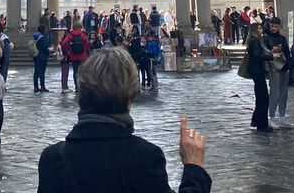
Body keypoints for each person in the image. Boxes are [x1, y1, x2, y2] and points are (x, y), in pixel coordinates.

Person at [37, 47, 211, 193]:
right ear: (130, 98)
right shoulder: (144, 157)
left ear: (82, 92)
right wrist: (194, 167)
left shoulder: (51, 160)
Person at [246, 23, 276, 132]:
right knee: (262, 97)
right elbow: (257, 56)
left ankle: (256, 120)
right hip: (257, 70)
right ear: (255, 30)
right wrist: (271, 56)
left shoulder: (255, 40)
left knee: (261, 96)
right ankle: (262, 124)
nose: (261, 29)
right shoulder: (255, 40)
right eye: (259, 28)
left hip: (256, 70)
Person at [264, 17, 291, 128]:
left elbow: (287, 52)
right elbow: (265, 53)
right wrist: (272, 51)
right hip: (274, 68)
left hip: (284, 67)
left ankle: (282, 117)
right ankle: (272, 117)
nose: (273, 28)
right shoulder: (266, 38)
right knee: (275, 93)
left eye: (275, 26)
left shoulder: (282, 38)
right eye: (272, 26)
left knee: (284, 93)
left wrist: (289, 66)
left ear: (279, 26)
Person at [61, 21, 89, 92]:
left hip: (73, 56)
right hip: (82, 56)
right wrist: (85, 51)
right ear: (80, 27)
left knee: (75, 71)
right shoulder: (82, 34)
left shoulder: (70, 35)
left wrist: (67, 51)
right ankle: (82, 86)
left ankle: (76, 86)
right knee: (82, 71)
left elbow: (63, 43)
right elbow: (87, 43)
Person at [33, 24, 52, 92]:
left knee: (36, 72)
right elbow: (45, 47)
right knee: (42, 72)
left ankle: (35, 87)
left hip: (36, 56)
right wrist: (48, 52)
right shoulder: (42, 38)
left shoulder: (35, 36)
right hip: (42, 56)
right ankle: (42, 86)